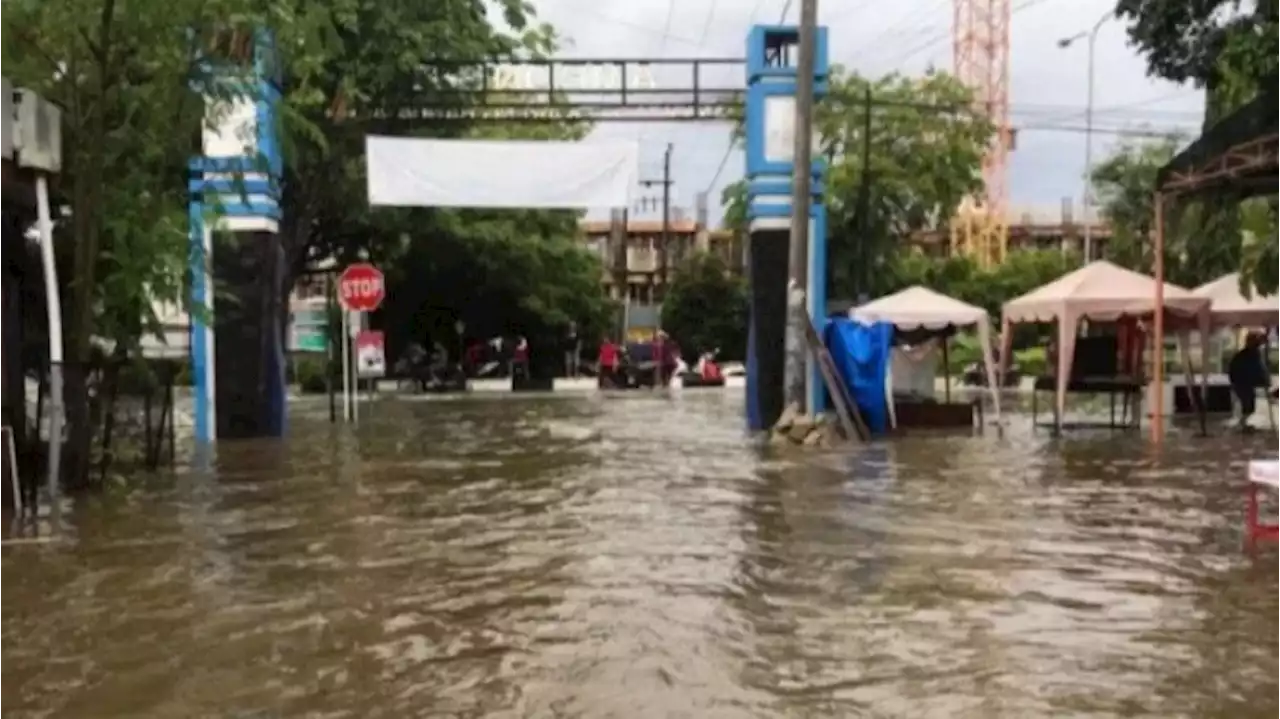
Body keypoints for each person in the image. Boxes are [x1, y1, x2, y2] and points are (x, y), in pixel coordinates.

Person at [1228, 331, 1275, 432]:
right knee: (1248, 404)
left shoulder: (1250, 354)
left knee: (1249, 405)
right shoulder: (1249, 355)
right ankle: (1242, 424)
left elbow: (1259, 368)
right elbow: (1257, 368)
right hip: (1243, 383)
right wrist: (1264, 379)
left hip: (1243, 383)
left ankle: (1243, 424)